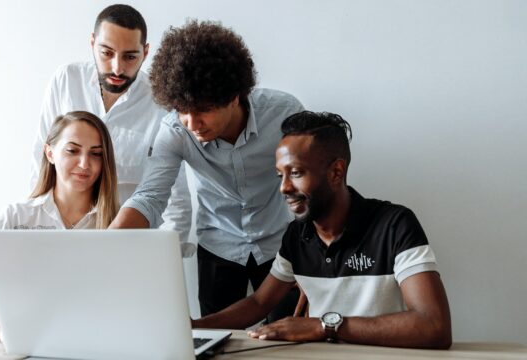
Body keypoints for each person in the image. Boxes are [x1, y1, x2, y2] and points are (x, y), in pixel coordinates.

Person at [192, 111, 453, 349]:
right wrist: (192, 327)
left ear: (336, 172)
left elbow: (434, 326)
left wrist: (322, 326)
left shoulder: (395, 225)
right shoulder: (296, 235)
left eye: (295, 173)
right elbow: (259, 303)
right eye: (279, 175)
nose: (283, 187)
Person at [110, 20, 304, 320]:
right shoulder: (175, 130)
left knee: (287, 341)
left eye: (203, 110)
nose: (191, 123)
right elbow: (150, 197)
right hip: (218, 248)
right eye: (182, 110)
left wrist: (317, 261)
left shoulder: (284, 114)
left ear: (233, 95)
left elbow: (313, 187)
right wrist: (105, 248)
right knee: (216, 342)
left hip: (281, 244)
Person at [0, 111, 119, 340]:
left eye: (96, 154)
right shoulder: (15, 218)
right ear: (50, 153)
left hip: (100, 344)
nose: (84, 163)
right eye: (72, 150)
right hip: (26, 346)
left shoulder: (119, 224)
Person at [31, 4, 193, 254]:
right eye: (107, 53)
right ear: (92, 42)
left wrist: (167, 256)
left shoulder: (160, 99)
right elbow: (41, 164)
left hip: (130, 247)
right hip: (64, 239)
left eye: (130, 57)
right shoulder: (66, 80)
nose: (117, 68)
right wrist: (33, 234)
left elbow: (175, 192)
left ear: (146, 52)